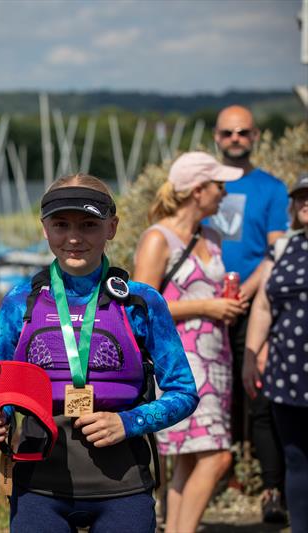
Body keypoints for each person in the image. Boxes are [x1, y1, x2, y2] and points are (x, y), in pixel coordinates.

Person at [0, 173, 198, 533]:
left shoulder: (141, 302)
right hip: (38, 485)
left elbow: (184, 392)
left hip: (122, 484)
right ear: (45, 228)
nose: (74, 238)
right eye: (61, 225)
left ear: (112, 227)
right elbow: (0, 390)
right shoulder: (20, 302)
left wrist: (128, 422)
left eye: (89, 225)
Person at [134, 152, 246, 532]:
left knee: (189, 460)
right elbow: (142, 307)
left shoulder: (211, 235)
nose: (224, 193)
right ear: (197, 190)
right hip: (182, 364)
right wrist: (209, 306)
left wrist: (226, 304)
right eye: (219, 185)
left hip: (216, 359)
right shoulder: (157, 238)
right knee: (216, 459)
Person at [207, 104, 289, 521]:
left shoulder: (272, 189)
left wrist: (244, 296)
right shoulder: (203, 185)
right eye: (227, 133)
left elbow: (276, 251)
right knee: (207, 398)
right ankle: (213, 481)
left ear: (255, 136)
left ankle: (271, 488)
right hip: (205, 308)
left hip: (252, 305)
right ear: (216, 137)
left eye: (242, 133)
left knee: (259, 398)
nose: (235, 139)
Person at [243, 174, 308, 533]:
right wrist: (251, 355)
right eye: (301, 197)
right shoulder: (283, 247)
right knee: (296, 459)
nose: (306, 203)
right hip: (288, 372)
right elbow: (264, 306)